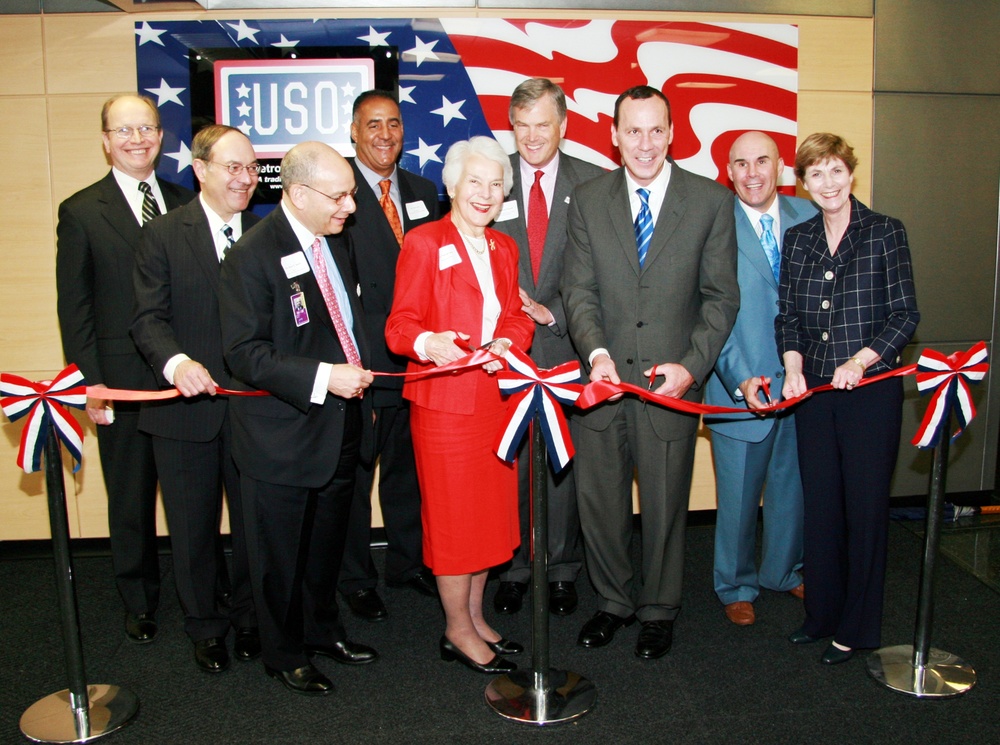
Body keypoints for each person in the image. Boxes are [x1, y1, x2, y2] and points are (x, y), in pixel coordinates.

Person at [561, 86, 739, 659]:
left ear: (671, 133)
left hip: (671, 388)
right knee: (601, 504)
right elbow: (578, 291)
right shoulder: (588, 200)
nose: (644, 143)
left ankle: (660, 610)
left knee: (665, 506)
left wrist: (690, 369)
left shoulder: (710, 201)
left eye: (655, 130)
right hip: (604, 384)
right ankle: (612, 602)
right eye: (632, 130)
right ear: (614, 135)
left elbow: (720, 300)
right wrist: (596, 355)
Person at [219, 141, 379, 696]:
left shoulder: (335, 239)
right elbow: (243, 352)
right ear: (300, 194)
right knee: (278, 556)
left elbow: (342, 322)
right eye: (340, 196)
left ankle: (321, 629)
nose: (350, 207)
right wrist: (323, 377)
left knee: (325, 545)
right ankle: (282, 653)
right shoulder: (252, 255)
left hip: (338, 427)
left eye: (351, 194)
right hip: (282, 435)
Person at [763, 132, 918, 664]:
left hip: (870, 394)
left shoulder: (884, 232)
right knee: (822, 508)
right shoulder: (799, 239)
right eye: (815, 174)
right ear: (802, 182)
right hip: (815, 396)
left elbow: (905, 315)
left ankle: (857, 627)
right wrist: (792, 367)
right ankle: (822, 615)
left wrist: (860, 361)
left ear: (850, 174)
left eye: (835, 171)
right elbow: (787, 317)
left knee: (865, 511)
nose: (826, 183)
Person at [385, 136, 534, 674]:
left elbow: (517, 315)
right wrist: (429, 344)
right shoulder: (424, 242)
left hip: (496, 402)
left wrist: (508, 343)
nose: (485, 193)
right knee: (453, 522)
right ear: (451, 186)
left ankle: (475, 617)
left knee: (486, 520)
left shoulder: (504, 248)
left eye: (496, 184)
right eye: (475, 181)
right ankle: (455, 630)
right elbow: (399, 325)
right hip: (445, 407)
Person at [56, 94, 194, 644]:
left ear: (161, 135)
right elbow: (76, 307)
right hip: (122, 382)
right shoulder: (82, 210)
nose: (138, 139)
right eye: (125, 130)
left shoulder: (188, 202)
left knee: (190, 495)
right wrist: (91, 383)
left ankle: (198, 591)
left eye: (148, 128)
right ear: (106, 140)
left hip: (186, 379)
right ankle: (139, 598)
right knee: (132, 495)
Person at [130, 125, 260, 672]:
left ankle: (252, 618)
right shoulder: (162, 235)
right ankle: (205, 625)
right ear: (201, 170)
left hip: (255, 410)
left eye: (251, 168)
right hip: (185, 412)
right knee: (192, 527)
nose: (244, 179)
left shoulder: (265, 232)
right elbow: (146, 319)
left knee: (255, 524)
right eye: (232, 167)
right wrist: (177, 363)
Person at [490, 78, 603, 618]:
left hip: (568, 344)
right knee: (509, 464)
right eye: (522, 125)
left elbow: (602, 272)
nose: (532, 136)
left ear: (563, 125)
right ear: (511, 126)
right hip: (506, 351)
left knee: (563, 466)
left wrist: (554, 311)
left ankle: (560, 568)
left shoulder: (595, 183)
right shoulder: (489, 177)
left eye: (543, 124)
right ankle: (513, 566)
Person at [704, 132, 817, 626]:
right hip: (739, 385)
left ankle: (783, 571)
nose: (753, 173)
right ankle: (735, 584)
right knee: (738, 498)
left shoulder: (809, 217)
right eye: (742, 164)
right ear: (729, 172)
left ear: (780, 168)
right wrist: (738, 377)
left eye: (762, 161)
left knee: (792, 490)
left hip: (803, 385)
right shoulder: (712, 223)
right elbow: (705, 312)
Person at [340, 90, 441, 623]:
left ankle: (406, 562)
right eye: (373, 124)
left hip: (420, 365)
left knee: (408, 474)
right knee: (356, 477)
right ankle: (355, 577)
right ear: (354, 131)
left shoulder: (425, 191)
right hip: (365, 367)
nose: (385, 135)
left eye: (394, 124)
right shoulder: (340, 193)